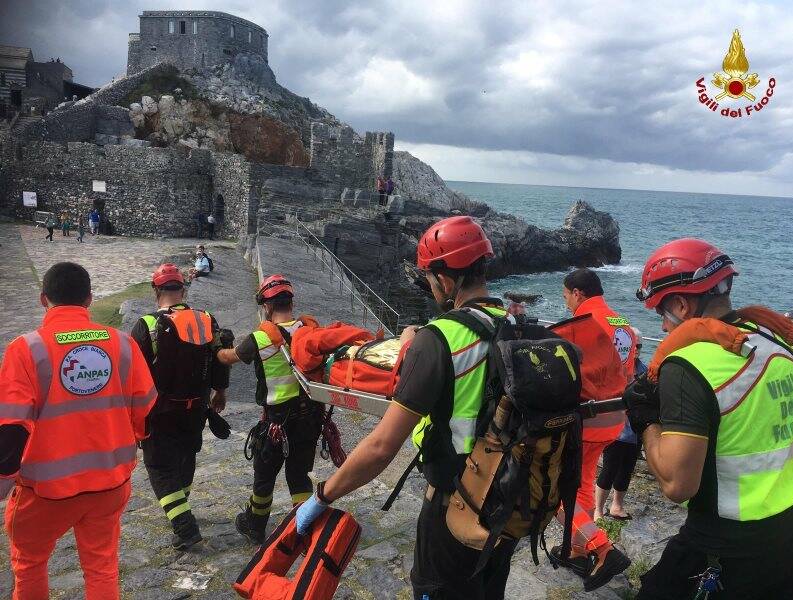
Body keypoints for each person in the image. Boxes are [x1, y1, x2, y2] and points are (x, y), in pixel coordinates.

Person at [294, 216, 526, 599]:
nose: (429, 286)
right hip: (507, 504)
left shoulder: (439, 339)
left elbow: (383, 446)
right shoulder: (518, 327)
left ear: (446, 280)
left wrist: (322, 496)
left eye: (429, 278)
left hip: (456, 506)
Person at [625, 238, 793, 599]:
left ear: (681, 304)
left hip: (724, 549)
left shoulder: (689, 366)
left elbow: (677, 485)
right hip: (789, 539)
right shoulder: (782, 345)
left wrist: (645, 421)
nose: (661, 327)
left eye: (662, 312)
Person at [0, 262, 156, 599]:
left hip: (44, 491)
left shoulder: (26, 349)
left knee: (29, 564)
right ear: (89, 299)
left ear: (44, 299)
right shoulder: (122, 344)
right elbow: (144, 407)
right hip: (109, 484)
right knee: (101, 567)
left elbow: (11, 428)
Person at [216, 275, 323, 545]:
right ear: (290, 301)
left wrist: (217, 348)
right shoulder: (309, 330)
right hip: (310, 417)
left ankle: (255, 524)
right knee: (299, 475)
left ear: (266, 305)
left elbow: (230, 357)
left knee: (264, 475)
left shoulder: (260, 338)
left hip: (277, 422)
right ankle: (305, 528)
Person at [130, 264, 230, 550]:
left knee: (159, 466)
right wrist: (220, 393)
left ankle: (184, 526)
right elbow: (219, 360)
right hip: (197, 407)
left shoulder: (146, 325)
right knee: (186, 456)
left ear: (156, 291)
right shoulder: (207, 320)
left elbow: (135, 374)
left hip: (159, 411)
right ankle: (180, 506)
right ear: (183, 290)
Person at [555, 268, 633, 587]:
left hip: (584, 422)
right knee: (583, 482)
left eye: (565, 296)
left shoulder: (578, 327)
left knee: (559, 497)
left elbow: (564, 378)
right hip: (615, 419)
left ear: (578, 293)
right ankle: (574, 551)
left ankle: (601, 548)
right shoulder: (622, 324)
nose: (566, 303)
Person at [595, 327, 646, 521]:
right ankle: (598, 509)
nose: (637, 350)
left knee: (626, 469)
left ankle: (617, 505)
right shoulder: (614, 369)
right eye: (635, 346)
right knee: (609, 468)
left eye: (640, 346)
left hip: (634, 430)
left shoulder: (644, 370)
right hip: (616, 429)